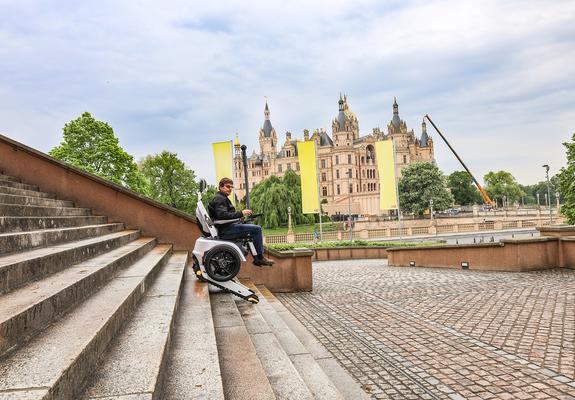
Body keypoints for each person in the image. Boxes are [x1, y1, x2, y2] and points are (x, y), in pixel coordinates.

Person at [208, 177, 274, 267]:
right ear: (221, 187)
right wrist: (241, 213)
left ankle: (257, 258)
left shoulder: (221, 197)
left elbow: (226, 215)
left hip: (228, 226)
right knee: (257, 229)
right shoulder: (220, 198)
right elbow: (222, 215)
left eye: (231, 187)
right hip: (226, 230)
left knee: (251, 226)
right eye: (228, 186)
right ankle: (260, 258)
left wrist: (239, 219)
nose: (230, 189)